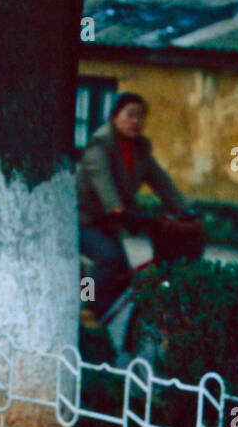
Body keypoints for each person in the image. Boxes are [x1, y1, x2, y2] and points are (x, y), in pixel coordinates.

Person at [76, 92, 188, 320]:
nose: (136, 121)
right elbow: (103, 182)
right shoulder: (100, 145)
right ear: (114, 116)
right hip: (83, 220)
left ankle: (102, 319)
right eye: (131, 115)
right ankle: (85, 310)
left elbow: (160, 181)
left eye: (141, 117)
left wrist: (184, 210)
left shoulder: (139, 148)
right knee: (109, 259)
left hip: (111, 222)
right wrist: (118, 210)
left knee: (125, 273)